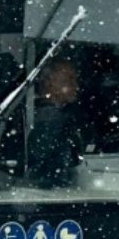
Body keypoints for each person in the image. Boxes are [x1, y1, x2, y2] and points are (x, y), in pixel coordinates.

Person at [28, 57, 83, 187]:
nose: (76, 86)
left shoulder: (63, 115)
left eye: (75, 80)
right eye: (69, 80)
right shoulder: (49, 119)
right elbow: (46, 171)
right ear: (49, 83)